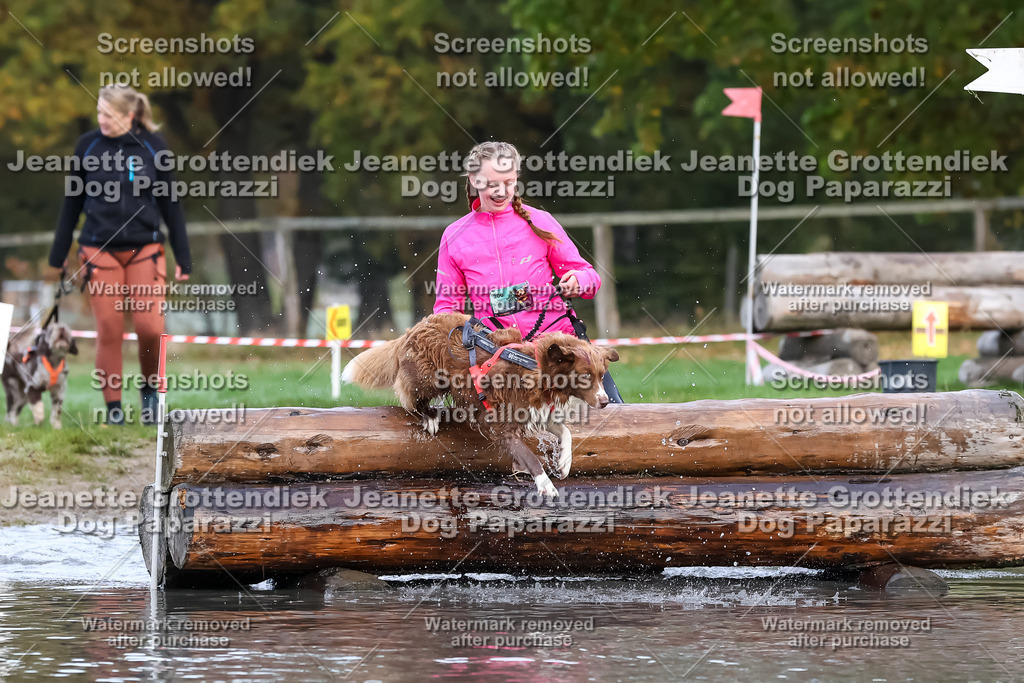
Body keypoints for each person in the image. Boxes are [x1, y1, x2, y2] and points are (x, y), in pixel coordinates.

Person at [49, 84, 192, 426]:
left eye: (110, 115)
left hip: (145, 247)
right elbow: (72, 204)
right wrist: (58, 254)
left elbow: (170, 204)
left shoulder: (154, 146)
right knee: (110, 328)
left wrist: (183, 256)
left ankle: (148, 396)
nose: (103, 121)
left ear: (129, 115)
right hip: (98, 248)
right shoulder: (88, 145)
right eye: (99, 113)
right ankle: (113, 410)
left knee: (148, 326)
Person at [433, 141, 601, 339]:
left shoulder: (540, 221)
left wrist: (578, 281)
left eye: (508, 182)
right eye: (492, 184)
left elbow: (590, 277)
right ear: (474, 180)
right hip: (494, 351)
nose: (501, 192)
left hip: (556, 344)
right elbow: (447, 309)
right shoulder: (454, 235)